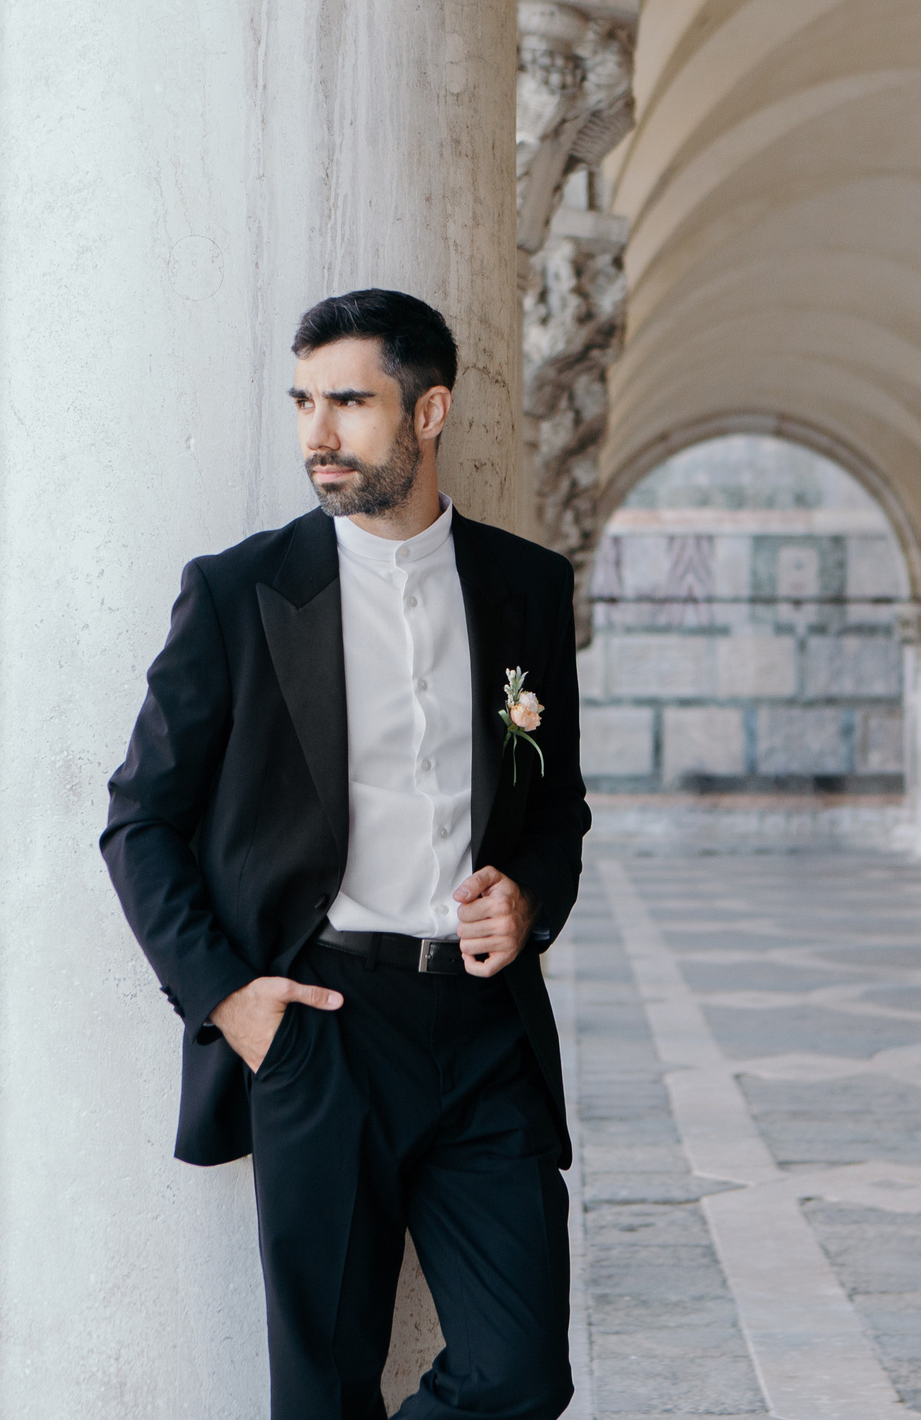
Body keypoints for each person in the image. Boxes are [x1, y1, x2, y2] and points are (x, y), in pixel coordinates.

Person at [101, 288, 589, 1420]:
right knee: (320, 1390)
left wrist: (527, 904)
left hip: (482, 1036)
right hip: (319, 1028)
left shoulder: (526, 589)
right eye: (304, 403)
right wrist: (229, 998)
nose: (319, 434)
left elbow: (554, 806)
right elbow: (140, 820)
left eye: (350, 403)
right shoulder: (240, 592)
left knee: (519, 1373)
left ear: (428, 412)